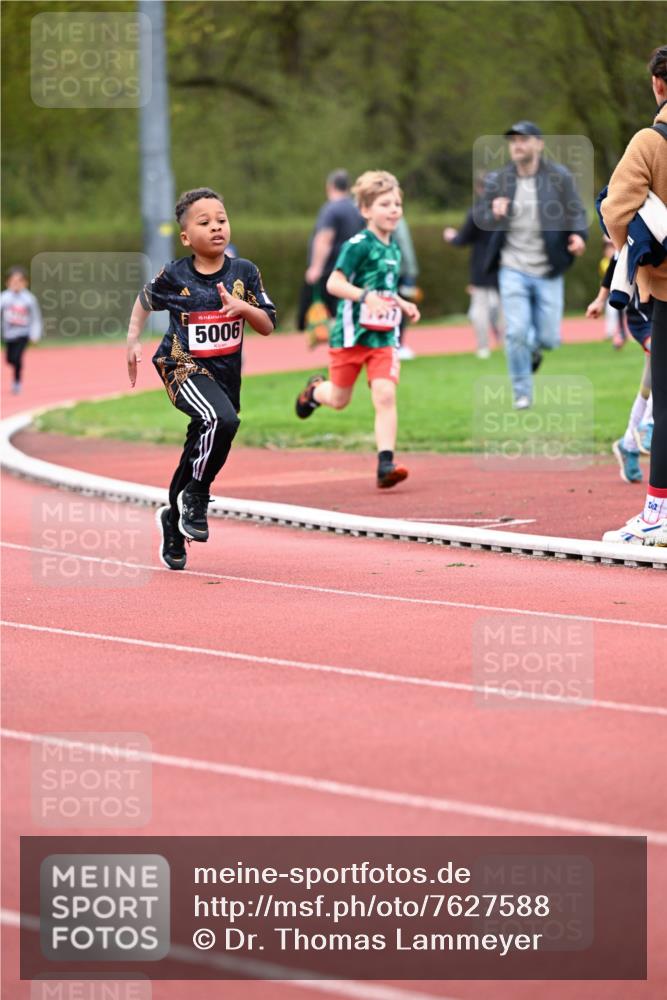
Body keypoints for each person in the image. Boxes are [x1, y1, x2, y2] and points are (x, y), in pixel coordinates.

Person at [126, 187, 276, 570]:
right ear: (185, 237)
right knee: (222, 420)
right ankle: (196, 495)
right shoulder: (175, 275)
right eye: (205, 222)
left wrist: (243, 307)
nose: (216, 227)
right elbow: (144, 300)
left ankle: (173, 520)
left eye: (221, 220)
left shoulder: (245, 272)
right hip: (181, 367)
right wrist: (132, 340)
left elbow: (268, 325)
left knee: (202, 442)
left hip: (225, 375)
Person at [294, 170, 420, 489]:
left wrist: (402, 303)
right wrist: (365, 297)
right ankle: (314, 391)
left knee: (385, 394)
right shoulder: (357, 246)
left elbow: (385, 289)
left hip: (383, 336)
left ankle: (385, 464)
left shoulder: (393, 248)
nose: (393, 210)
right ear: (365, 210)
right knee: (339, 399)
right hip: (351, 335)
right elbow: (334, 284)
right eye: (385, 204)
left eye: (397, 204)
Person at [601, 45, 667, 546]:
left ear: (658, 85)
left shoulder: (651, 141)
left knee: (664, 407)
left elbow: (615, 209)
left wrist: (640, 255)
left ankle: (657, 515)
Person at [478, 121, 588, 408]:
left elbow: (576, 211)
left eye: (524, 140)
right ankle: (522, 392)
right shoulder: (499, 180)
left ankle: (535, 351)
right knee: (516, 332)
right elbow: (480, 217)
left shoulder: (558, 177)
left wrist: (578, 234)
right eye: (513, 141)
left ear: (539, 144)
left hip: (549, 267)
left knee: (550, 338)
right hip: (512, 266)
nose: (517, 145)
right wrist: (493, 213)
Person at [587, 277, 653, 483]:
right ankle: (649, 424)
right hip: (644, 316)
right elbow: (617, 264)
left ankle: (628, 445)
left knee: (649, 385)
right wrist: (600, 299)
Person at [444, 175, 504, 359]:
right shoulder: (508, 211)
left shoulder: (476, 212)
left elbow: (463, 239)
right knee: (503, 306)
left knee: (480, 308)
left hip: (481, 266)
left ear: (479, 189)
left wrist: (451, 237)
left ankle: (483, 347)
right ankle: (506, 342)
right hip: (504, 264)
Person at [298, 169, 364, 331]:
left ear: (330, 186)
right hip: (352, 269)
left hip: (330, 271)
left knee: (319, 315)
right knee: (345, 312)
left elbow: (324, 239)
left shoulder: (331, 209)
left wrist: (316, 268)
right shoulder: (357, 208)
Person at [1, 265, 42, 393]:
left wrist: (35, 334)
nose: (16, 284)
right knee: (10, 359)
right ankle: (15, 370)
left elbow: (36, 318)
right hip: (8, 334)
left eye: (19, 281)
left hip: (23, 333)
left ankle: (17, 382)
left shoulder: (29, 299)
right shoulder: (4, 298)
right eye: (13, 281)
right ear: (8, 282)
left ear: (25, 283)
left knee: (17, 358)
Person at [393, 216, 421, 361]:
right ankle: (397, 345)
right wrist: (411, 271)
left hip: (397, 272)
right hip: (399, 272)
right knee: (398, 310)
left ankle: (396, 344)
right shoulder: (396, 221)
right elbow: (404, 245)